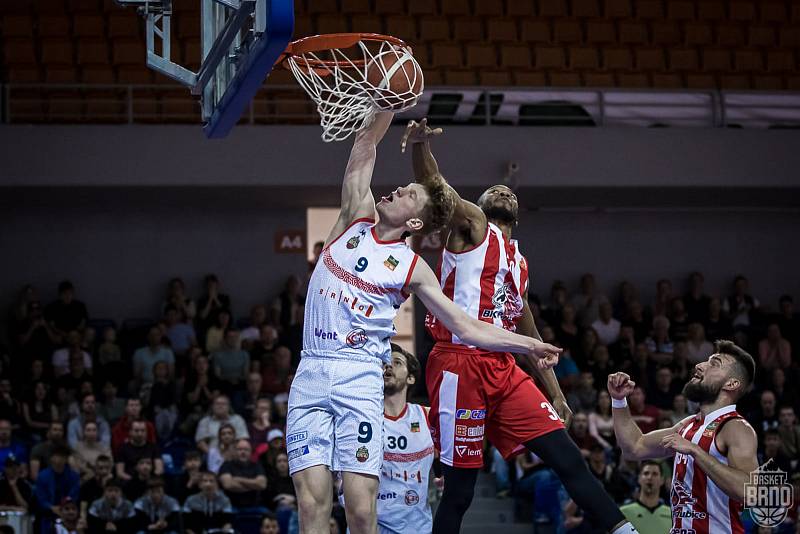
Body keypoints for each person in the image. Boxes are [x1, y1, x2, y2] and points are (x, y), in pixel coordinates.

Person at [288, 113, 561, 534]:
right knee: (311, 506)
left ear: (415, 223)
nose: (397, 189)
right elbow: (364, 147)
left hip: (360, 378)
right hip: (311, 371)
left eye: (410, 193)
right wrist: (387, 100)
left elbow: (467, 327)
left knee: (360, 511)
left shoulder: (413, 268)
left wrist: (529, 345)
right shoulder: (352, 219)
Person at [403, 120, 635, 534]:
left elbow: (533, 340)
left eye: (509, 191)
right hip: (460, 364)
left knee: (568, 457)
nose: (504, 191)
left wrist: (557, 393)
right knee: (460, 490)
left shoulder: (519, 262)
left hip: (504, 368)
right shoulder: (473, 226)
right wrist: (420, 145)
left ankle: (623, 529)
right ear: (482, 204)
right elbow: (436, 186)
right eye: (495, 190)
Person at [608, 340, 759, 533]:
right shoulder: (689, 425)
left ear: (731, 383)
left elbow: (750, 493)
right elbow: (634, 447)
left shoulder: (735, 427)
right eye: (706, 360)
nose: (700, 365)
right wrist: (619, 400)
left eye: (715, 363)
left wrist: (695, 451)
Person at [374, 344, 433, 533]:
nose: (388, 366)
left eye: (396, 362)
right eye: (383, 363)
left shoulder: (427, 416)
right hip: (370, 525)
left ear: (411, 378)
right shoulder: (363, 418)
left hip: (416, 527)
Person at [34, 447, 80, 532]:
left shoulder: (74, 476)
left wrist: (64, 507)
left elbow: (73, 495)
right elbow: (41, 498)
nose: (59, 459)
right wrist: (51, 507)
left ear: (66, 459)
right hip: (48, 514)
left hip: (68, 512)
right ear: (51, 458)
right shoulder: (42, 476)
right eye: (57, 456)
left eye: (62, 457)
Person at [619, 461, 671, 534]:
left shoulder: (672, 514)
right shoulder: (623, 512)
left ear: (662, 480)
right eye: (646, 473)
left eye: (655, 474)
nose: (650, 477)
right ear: (639, 478)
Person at [218, 439, 267, 512]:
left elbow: (262, 484)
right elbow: (228, 485)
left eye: (246, 449)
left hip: (254, 506)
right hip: (231, 506)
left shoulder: (257, 465)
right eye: (240, 449)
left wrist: (238, 480)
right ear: (234, 451)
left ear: (250, 452)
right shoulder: (226, 465)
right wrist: (254, 485)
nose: (243, 452)